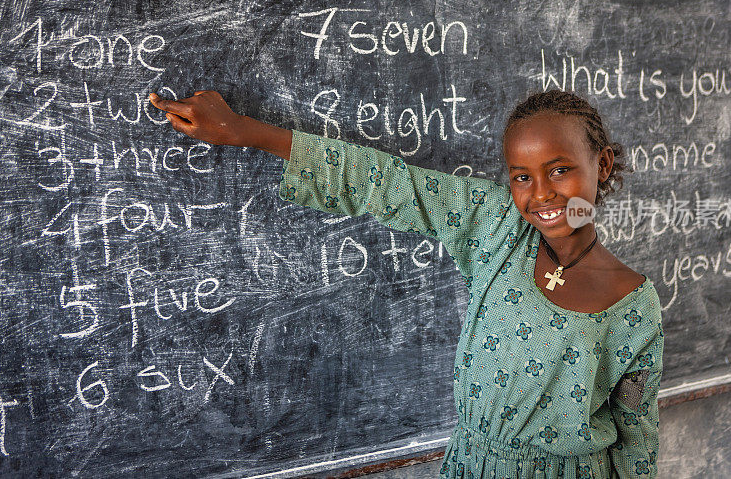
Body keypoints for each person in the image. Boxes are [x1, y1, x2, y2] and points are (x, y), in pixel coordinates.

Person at [148, 89, 664, 479]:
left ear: (603, 164)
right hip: (471, 465)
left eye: (560, 170)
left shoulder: (633, 304)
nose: (540, 193)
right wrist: (245, 131)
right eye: (521, 177)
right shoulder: (496, 228)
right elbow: (389, 183)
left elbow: (636, 438)